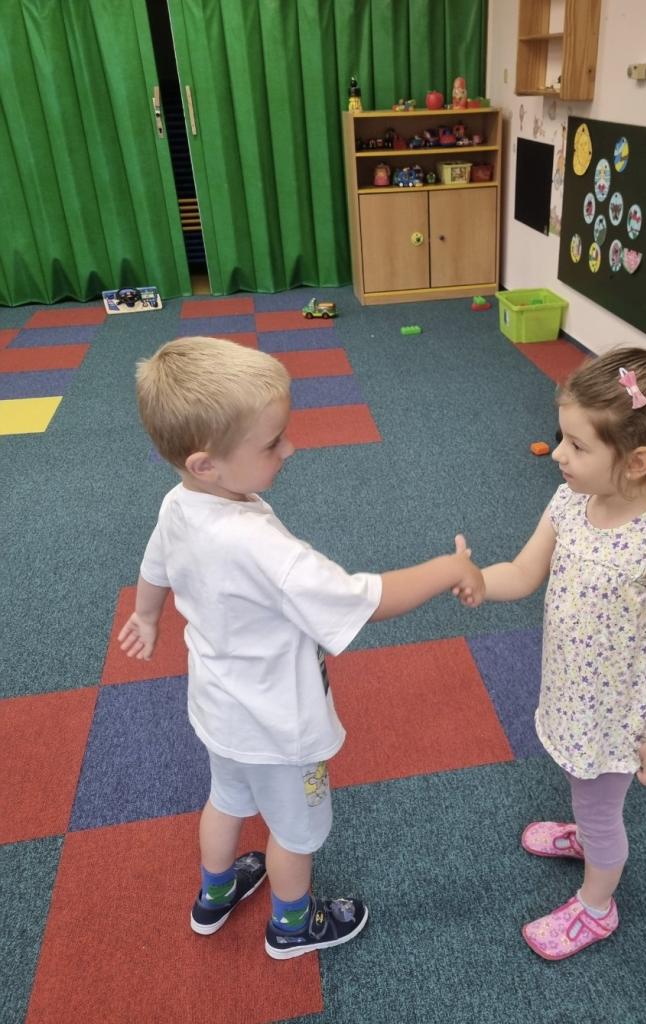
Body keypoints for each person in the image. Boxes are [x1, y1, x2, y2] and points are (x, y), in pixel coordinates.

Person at [117, 336, 484, 961]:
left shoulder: (179, 502)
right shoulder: (263, 549)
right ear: (206, 463)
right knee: (296, 832)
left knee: (226, 799)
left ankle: (215, 893)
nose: (290, 448)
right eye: (272, 443)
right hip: (281, 727)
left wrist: (146, 616)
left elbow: (155, 567)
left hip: (219, 710)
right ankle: (292, 925)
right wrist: (448, 568)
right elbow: (363, 598)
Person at [477, 347, 646, 961]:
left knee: (603, 810)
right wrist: (476, 580)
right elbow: (523, 572)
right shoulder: (568, 504)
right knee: (582, 783)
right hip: (572, 692)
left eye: (577, 446)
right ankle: (584, 832)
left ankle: (597, 907)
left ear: (637, 462)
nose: (558, 454)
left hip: (616, 717)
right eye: (561, 437)